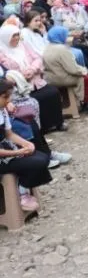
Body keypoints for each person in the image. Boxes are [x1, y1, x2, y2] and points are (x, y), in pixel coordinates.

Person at [0, 25, 65, 132]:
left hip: (35, 80)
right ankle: (42, 128)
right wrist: (22, 75)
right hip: (20, 88)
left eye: (17, 35)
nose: (16, 38)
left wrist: (32, 69)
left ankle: (58, 122)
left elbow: (37, 58)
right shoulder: (2, 53)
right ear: (5, 37)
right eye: (13, 36)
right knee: (35, 100)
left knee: (52, 92)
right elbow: (6, 71)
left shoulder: (23, 45)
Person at [0, 79, 51, 212]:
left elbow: (9, 134)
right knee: (37, 162)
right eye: (5, 97)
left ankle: (23, 188)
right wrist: (17, 152)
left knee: (43, 157)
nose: (8, 100)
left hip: (5, 148)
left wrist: (26, 143)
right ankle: (22, 192)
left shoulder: (2, 111)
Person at [42, 26, 88, 114]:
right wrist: (84, 70)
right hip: (61, 78)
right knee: (86, 78)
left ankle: (84, 103)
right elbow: (72, 69)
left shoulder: (47, 47)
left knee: (82, 76)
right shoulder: (62, 49)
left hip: (51, 78)